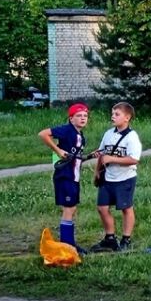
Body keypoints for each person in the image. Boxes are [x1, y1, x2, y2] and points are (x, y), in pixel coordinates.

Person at [90, 102, 142, 253]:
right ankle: (110, 238)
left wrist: (112, 159)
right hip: (108, 177)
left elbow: (134, 159)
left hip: (125, 178)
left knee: (126, 208)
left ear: (127, 117)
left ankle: (126, 239)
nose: (113, 116)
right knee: (102, 208)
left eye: (117, 114)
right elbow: (102, 153)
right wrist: (97, 171)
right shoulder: (108, 134)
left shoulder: (132, 137)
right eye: (112, 114)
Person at [38, 103, 90, 250]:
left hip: (74, 176)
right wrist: (58, 150)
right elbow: (43, 134)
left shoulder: (80, 136)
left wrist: (90, 156)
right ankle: (67, 245)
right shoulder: (67, 130)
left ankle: (69, 243)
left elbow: (76, 156)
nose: (82, 118)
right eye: (79, 116)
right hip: (65, 175)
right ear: (71, 118)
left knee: (72, 209)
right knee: (69, 208)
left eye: (85, 116)